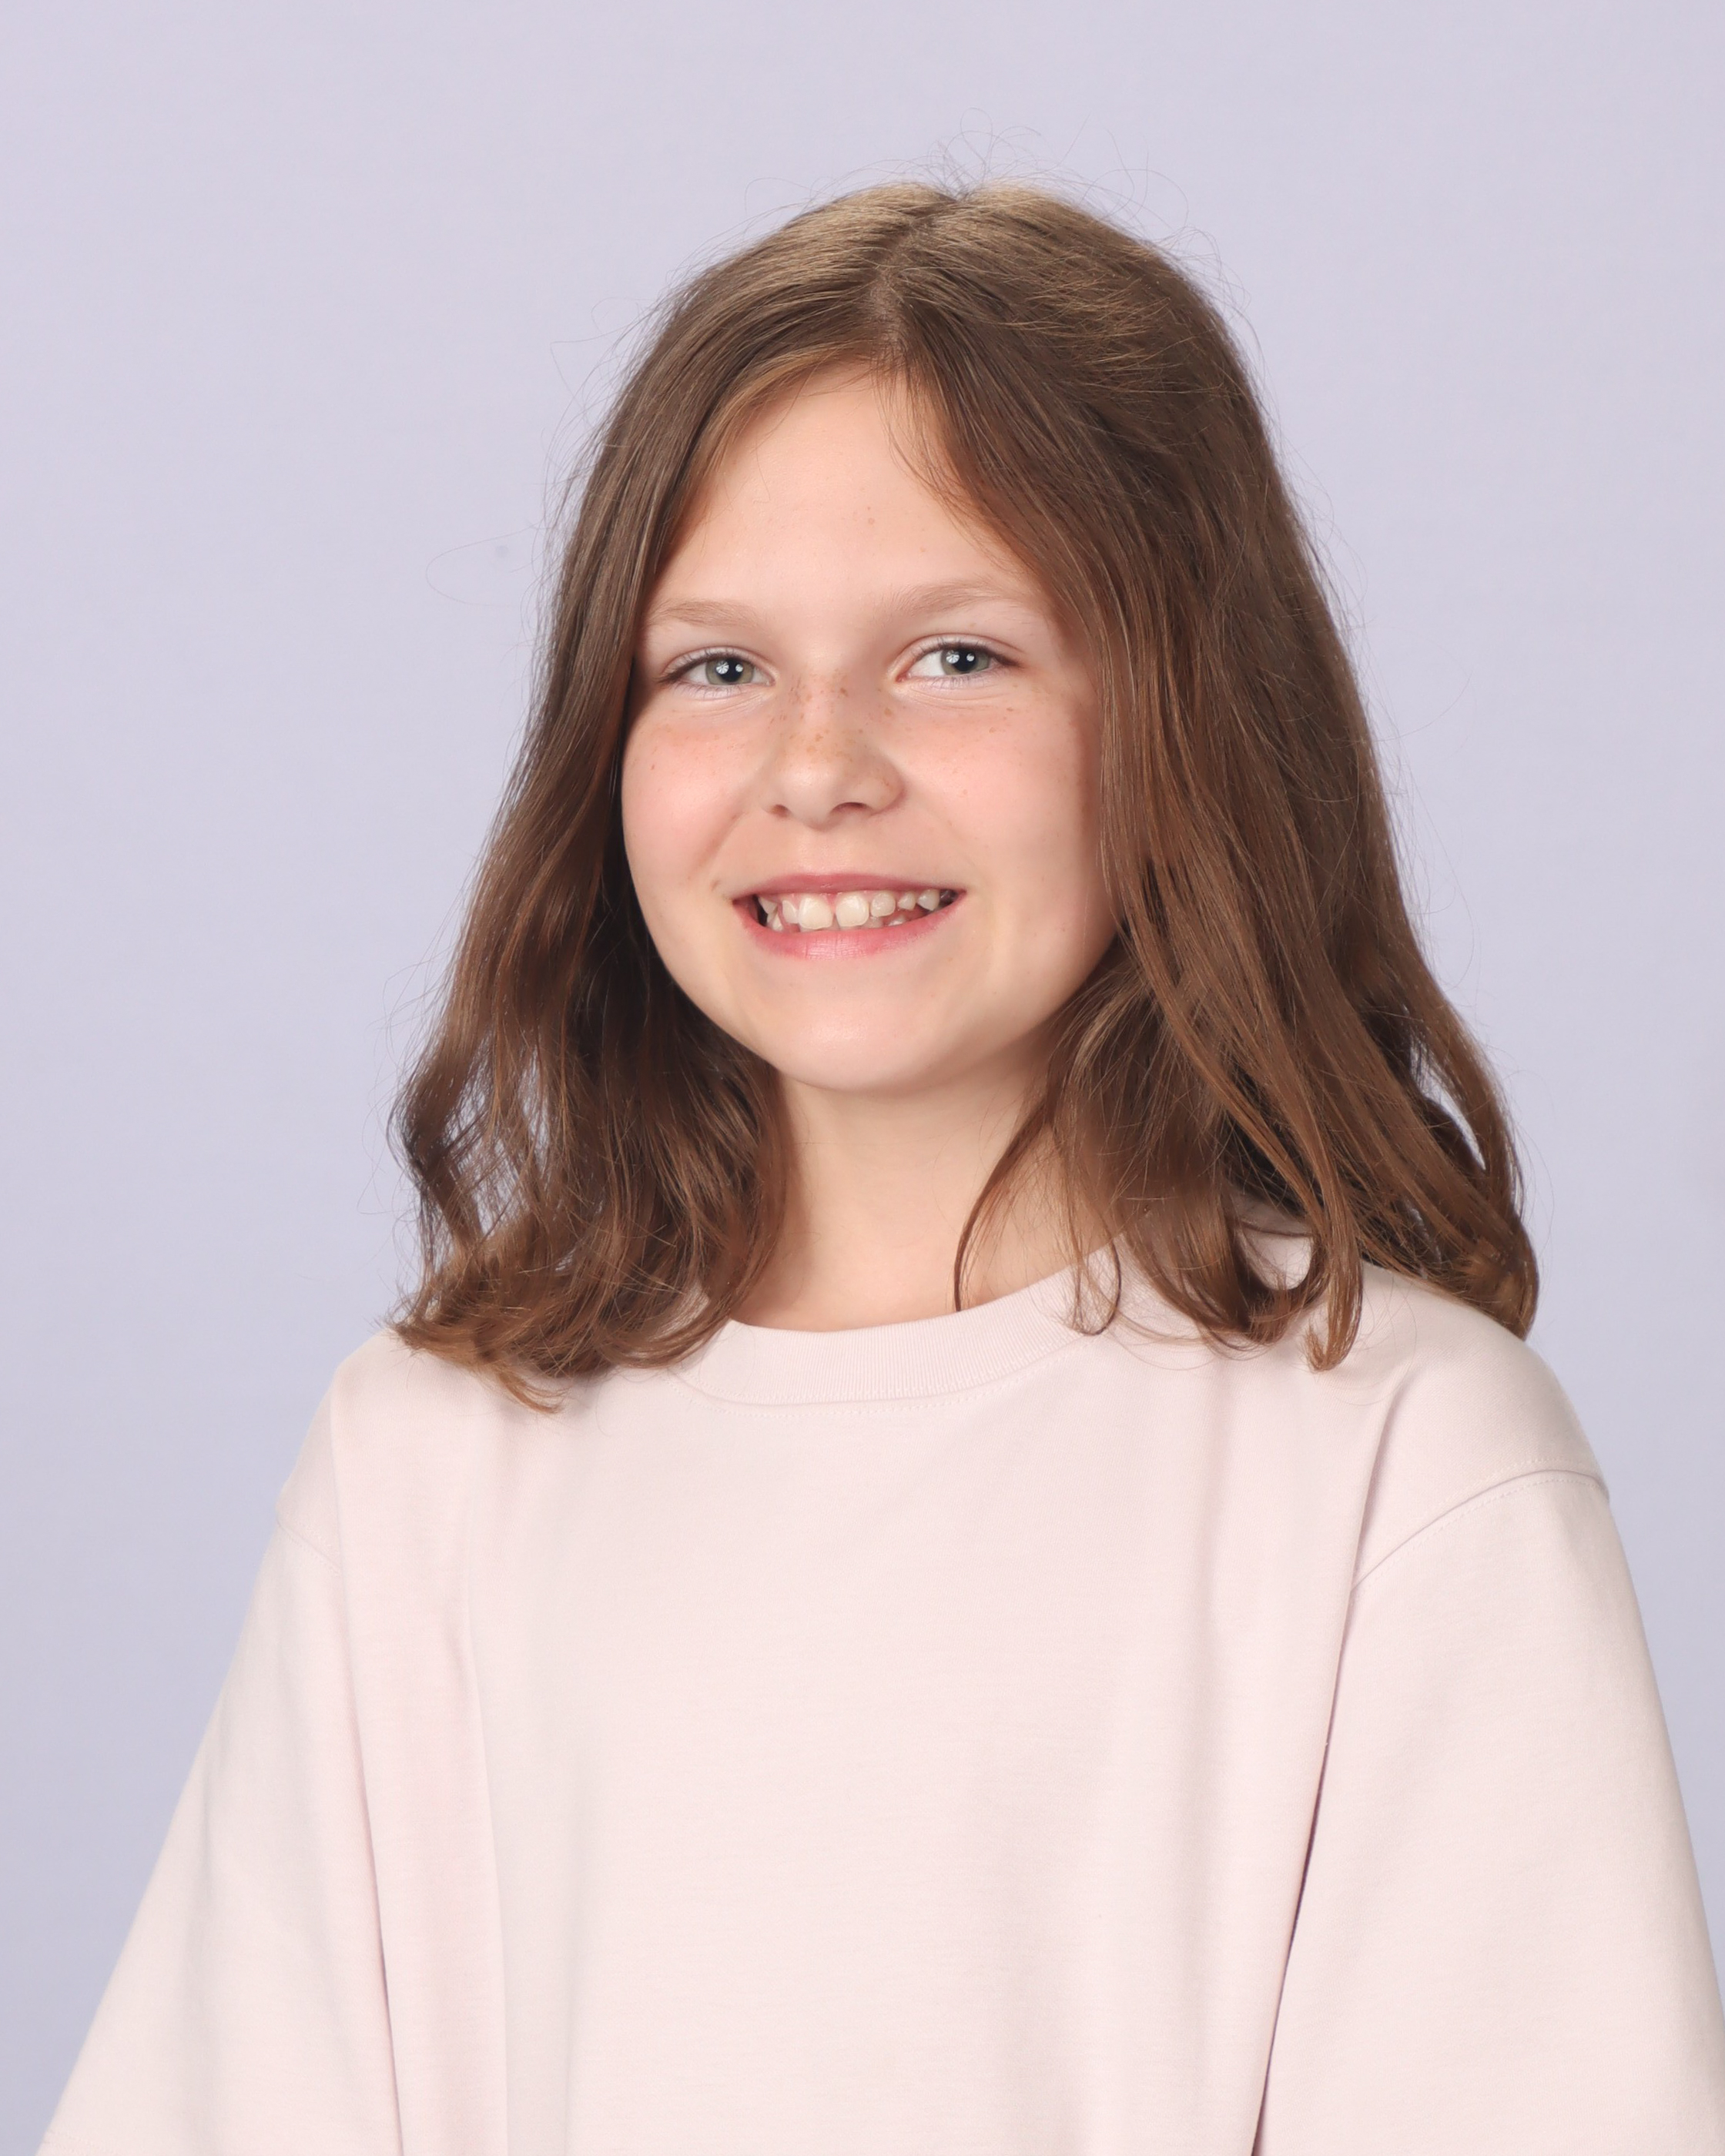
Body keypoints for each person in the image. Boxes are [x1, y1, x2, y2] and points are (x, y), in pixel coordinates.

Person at [39, 180, 1725, 2154]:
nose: (819, 762)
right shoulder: (435, 1455)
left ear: (1188, 718)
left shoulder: (1401, 1463)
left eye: (955, 654)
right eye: (718, 668)